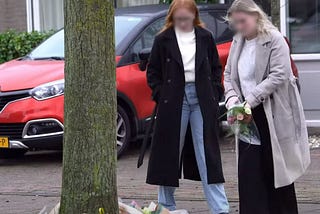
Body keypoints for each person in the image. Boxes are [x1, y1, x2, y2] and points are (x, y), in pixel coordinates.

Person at [224, 0, 311, 213]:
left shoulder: (275, 39)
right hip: (245, 113)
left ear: (255, 16)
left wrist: (249, 101)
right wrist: (233, 100)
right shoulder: (237, 41)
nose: (239, 27)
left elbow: (279, 74)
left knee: (277, 173)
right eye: (236, 23)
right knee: (249, 173)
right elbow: (228, 75)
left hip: (272, 114)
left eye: (243, 21)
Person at [146, 0, 229, 213]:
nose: (182, 23)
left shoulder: (205, 37)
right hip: (173, 100)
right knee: (169, 152)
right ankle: (166, 207)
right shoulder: (162, 40)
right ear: (172, 18)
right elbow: (152, 72)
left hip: (201, 98)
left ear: (195, 17)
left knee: (207, 153)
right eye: (178, 19)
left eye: (187, 18)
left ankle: (220, 209)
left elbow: (215, 68)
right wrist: (161, 94)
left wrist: (213, 93)